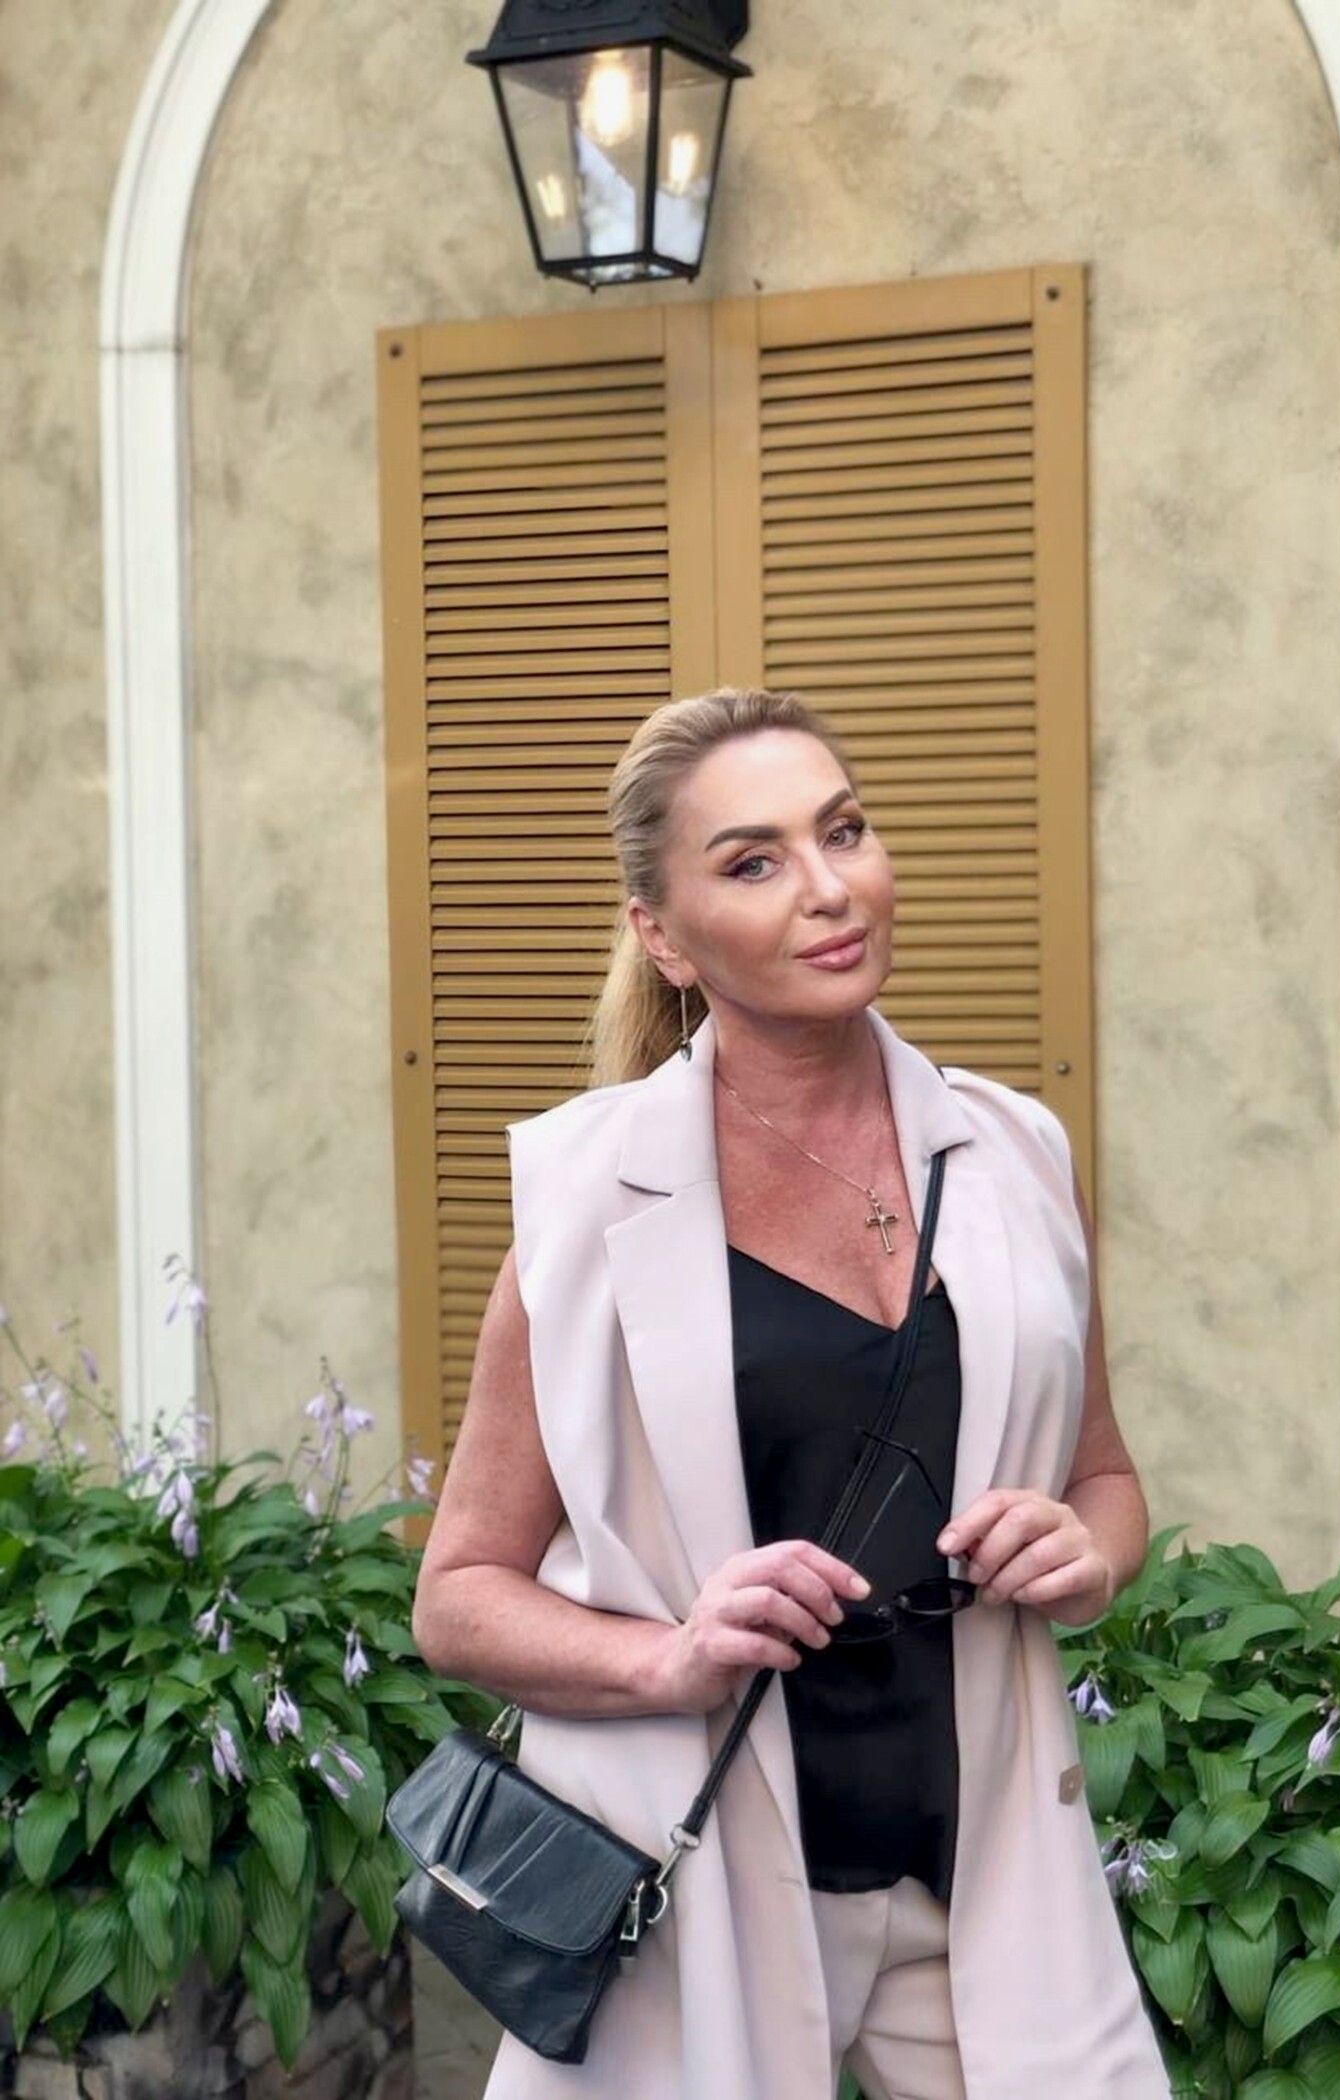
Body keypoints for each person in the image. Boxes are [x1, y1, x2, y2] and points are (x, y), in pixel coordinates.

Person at [413, 688, 1170, 2100]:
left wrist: (1086, 1555)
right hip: (692, 1885)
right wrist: (668, 1658)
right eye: (753, 861)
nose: (828, 888)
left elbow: (1104, 1480)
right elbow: (458, 1596)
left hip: (981, 1879)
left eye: (845, 831)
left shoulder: (1016, 1154)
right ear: (662, 935)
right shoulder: (587, 1207)